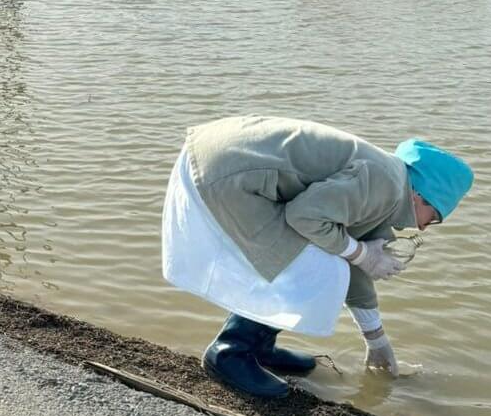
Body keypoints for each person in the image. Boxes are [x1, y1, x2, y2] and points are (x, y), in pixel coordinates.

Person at [161, 115, 474, 398]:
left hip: (214, 158)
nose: (425, 227)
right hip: (225, 175)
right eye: (433, 217)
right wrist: (362, 254)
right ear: (421, 195)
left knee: (323, 258)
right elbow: (305, 218)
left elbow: (356, 266)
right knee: (314, 265)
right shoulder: (385, 185)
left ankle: (259, 346)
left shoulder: (388, 190)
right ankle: (231, 352)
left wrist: (377, 341)